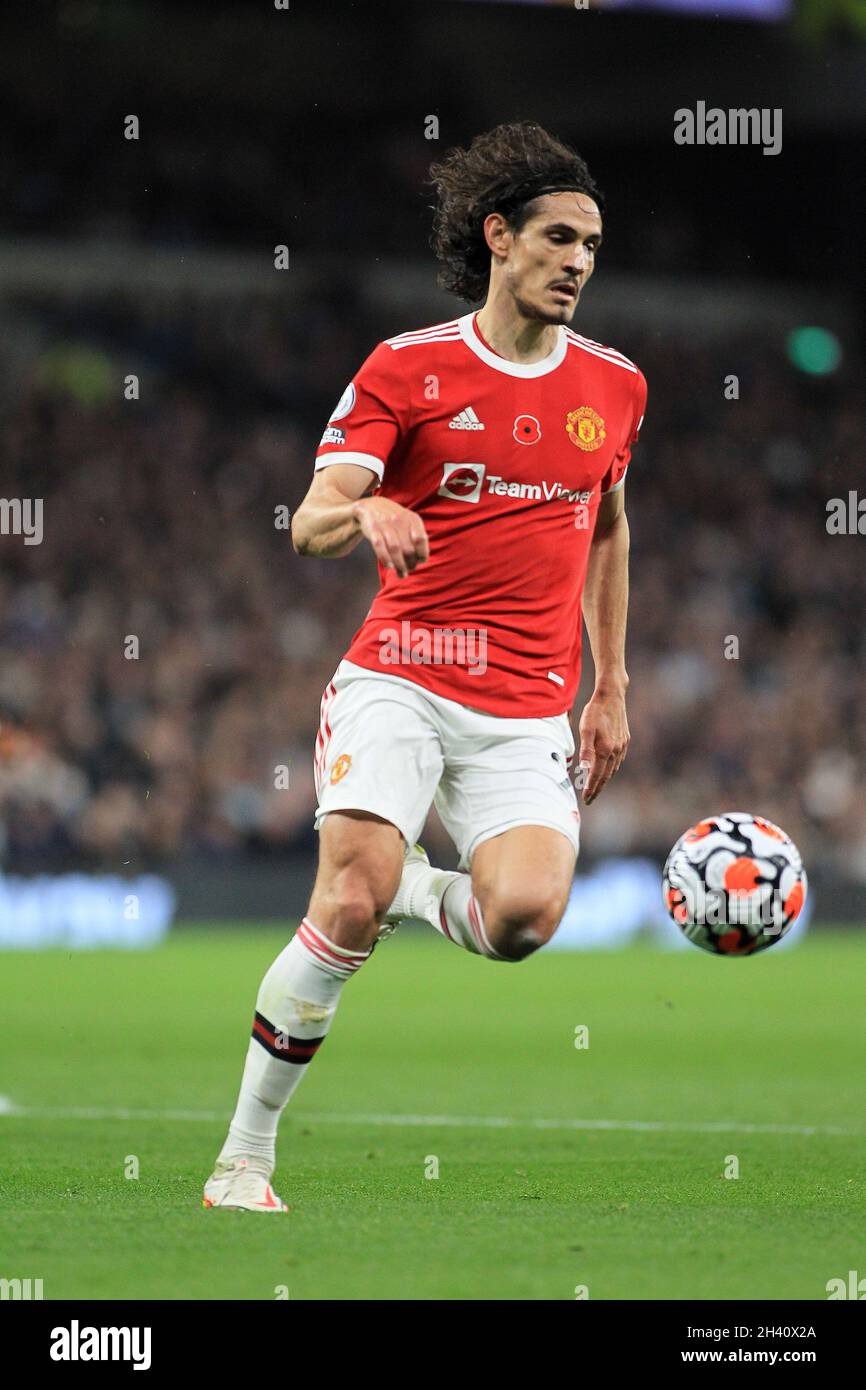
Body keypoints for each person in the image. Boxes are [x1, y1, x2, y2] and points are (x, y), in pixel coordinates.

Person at [203, 121, 647, 1212]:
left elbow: (607, 528)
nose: (577, 262)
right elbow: (307, 523)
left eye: (590, 245)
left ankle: (391, 880)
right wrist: (372, 506)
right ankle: (242, 1159)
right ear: (498, 237)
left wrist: (612, 682)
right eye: (555, 238)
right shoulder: (408, 368)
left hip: (527, 707)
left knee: (523, 921)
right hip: (401, 673)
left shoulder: (616, 387)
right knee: (344, 902)